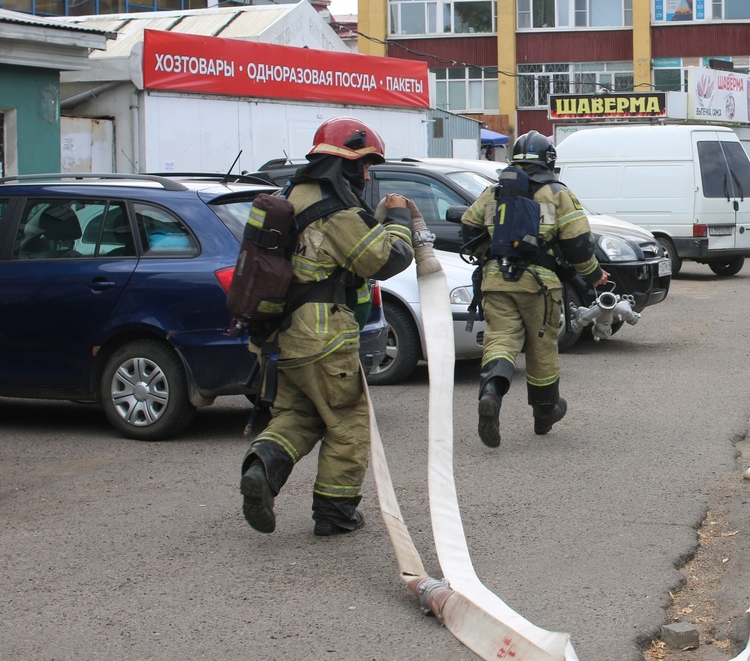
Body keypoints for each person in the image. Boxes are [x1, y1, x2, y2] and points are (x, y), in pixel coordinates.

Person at [239, 117, 416, 537]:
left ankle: (262, 468)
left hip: (281, 336)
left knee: (297, 414)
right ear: (348, 165)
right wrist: (397, 220)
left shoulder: (292, 195)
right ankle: (335, 514)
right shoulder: (334, 210)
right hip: (323, 337)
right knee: (347, 422)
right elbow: (386, 260)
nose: (368, 174)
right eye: (365, 165)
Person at [460, 130, 608, 448]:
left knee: (501, 340)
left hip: (496, 281)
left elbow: (468, 227)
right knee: (541, 347)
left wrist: (489, 255)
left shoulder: (495, 191)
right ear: (549, 161)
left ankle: (491, 392)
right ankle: (545, 413)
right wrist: (594, 275)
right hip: (540, 285)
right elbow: (579, 244)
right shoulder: (557, 193)